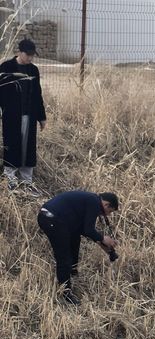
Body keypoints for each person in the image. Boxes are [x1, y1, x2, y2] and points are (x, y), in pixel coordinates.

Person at [37, 191, 119, 305]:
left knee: (75, 239)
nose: (107, 215)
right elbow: (88, 230)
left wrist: (101, 243)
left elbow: (82, 229)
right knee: (64, 258)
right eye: (109, 211)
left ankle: (73, 272)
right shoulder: (94, 203)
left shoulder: (90, 200)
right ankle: (66, 293)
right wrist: (103, 238)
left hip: (53, 218)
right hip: (52, 219)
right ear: (106, 204)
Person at [0, 39, 46, 191]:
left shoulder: (33, 70)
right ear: (19, 52)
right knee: (12, 144)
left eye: (32, 55)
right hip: (11, 115)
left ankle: (27, 179)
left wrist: (41, 117)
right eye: (28, 55)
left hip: (29, 115)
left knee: (28, 146)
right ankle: (10, 177)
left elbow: (37, 94)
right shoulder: (6, 67)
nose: (30, 58)